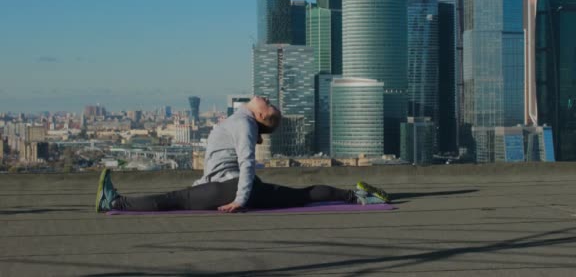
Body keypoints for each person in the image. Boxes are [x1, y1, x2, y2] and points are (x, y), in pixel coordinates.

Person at [95, 96, 390, 213]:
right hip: (223, 185)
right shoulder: (238, 120)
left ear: (261, 114)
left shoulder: (244, 124)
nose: (268, 100)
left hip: (230, 188)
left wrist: (240, 198)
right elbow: (217, 164)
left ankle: (114, 202)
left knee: (172, 200)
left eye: (269, 105)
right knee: (301, 195)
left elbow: (247, 163)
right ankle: (356, 195)